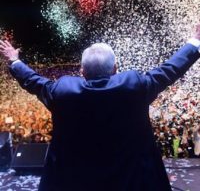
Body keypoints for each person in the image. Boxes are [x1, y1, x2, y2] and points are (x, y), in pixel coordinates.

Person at [0, 24, 200, 191]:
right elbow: (170, 70)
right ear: (115, 69)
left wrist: (14, 60)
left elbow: (33, 81)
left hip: (75, 183)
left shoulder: (63, 92)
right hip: (133, 182)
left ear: (82, 71)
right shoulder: (134, 87)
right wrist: (195, 42)